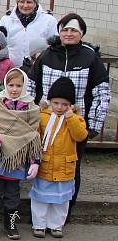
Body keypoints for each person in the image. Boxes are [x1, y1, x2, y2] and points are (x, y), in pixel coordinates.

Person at [27, 13, 110, 219]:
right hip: (45, 122)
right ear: (59, 32)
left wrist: (93, 125)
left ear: (81, 34)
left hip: (74, 125)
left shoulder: (90, 58)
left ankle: (63, 215)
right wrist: (29, 117)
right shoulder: (46, 56)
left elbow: (102, 93)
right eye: (65, 29)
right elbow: (30, 87)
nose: (69, 34)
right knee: (42, 165)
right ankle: (40, 214)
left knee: (71, 168)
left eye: (74, 30)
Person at [0, 68, 41, 240]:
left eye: (18, 85)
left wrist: (35, 161)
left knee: (13, 195)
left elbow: (33, 136)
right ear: (5, 84)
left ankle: (11, 224)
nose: (14, 89)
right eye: (11, 85)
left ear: (25, 86)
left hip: (17, 160)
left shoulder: (31, 108)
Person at [30, 77, 88, 238]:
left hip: (65, 167)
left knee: (61, 201)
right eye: (56, 103)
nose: (60, 107)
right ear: (50, 101)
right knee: (40, 199)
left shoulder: (76, 118)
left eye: (64, 104)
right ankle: (39, 224)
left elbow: (80, 136)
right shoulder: (43, 116)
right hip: (45, 165)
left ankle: (56, 225)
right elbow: (36, 138)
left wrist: (70, 117)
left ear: (70, 105)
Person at [0, 0, 58, 66]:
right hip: (12, 72)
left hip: (38, 71)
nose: (25, 6)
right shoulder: (6, 20)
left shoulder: (49, 21)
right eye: (21, 2)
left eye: (29, 2)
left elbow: (55, 48)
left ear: (36, 3)